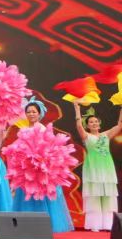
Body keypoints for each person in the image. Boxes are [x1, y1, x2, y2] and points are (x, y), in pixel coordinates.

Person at [11, 97, 73, 232]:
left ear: (39, 114)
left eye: (34, 112)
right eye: (28, 112)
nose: (31, 114)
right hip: (27, 169)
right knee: (27, 195)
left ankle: (43, 225)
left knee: (41, 196)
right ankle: (27, 224)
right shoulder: (23, 130)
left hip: (41, 169)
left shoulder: (43, 128)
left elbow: (51, 147)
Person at [72, 102, 119, 232]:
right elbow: (78, 125)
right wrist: (77, 109)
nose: (94, 124)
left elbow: (119, 125)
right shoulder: (86, 136)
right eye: (91, 122)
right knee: (94, 195)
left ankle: (108, 225)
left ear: (99, 123)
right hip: (93, 168)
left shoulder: (106, 135)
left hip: (107, 168)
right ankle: (95, 225)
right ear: (87, 125)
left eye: (96, 121)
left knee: (108, 196)